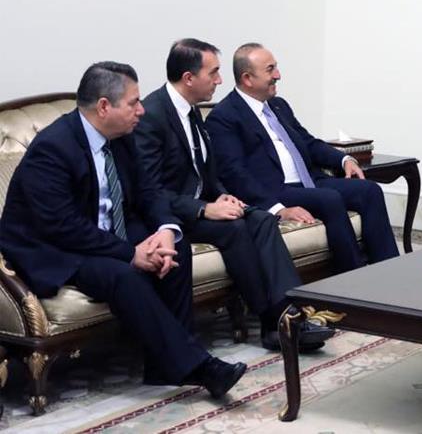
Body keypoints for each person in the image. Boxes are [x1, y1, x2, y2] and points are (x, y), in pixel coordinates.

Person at [0, 62, 246, 397]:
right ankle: (200, 367)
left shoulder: (121, 138)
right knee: (124, 274)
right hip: (57, 248)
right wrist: (131, 253)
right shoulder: (53, 148)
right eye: (133, 103)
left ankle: (165, 366)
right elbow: (62, 226)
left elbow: (149, 192)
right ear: (104, 106)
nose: (141, 110)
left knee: (175, 249)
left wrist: (165, 230)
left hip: (104, 233)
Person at [136, 39, 333, 352]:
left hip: (201, 205)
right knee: (236, 228)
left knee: (262, 219)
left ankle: (289, 314)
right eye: (213, 73)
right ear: (189, 78)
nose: (219, 80)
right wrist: (203, 209)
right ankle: (273, 321)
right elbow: (150, 190)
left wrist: (223, 196)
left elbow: (206, 172)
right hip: (172, 215)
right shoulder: (153, 115)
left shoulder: (191, 111)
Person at [205, 43, 399, 273]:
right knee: (329, 199)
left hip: (310, 181)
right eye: (270, 69)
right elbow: (234, 173)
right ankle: (352, 278)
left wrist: (344, 160)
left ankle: (389, 271)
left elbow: (308, 142)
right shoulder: (224, 117)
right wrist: (277, 209)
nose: (278, 75)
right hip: (276, 189)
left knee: (369, 190)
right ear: (247, 78)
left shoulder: (278, 105)